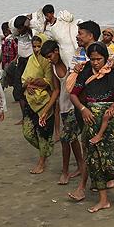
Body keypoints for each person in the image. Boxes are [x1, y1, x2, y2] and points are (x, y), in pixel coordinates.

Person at [69, 43, 114, 213]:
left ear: (106, 58)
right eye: (92, 59)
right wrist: (83, 109)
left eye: (99, 59)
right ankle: (103, 200)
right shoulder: (84, 73)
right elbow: (73, 94)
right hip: (91, 120)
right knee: (94, 161)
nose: (96, 62)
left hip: (113, 121)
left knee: (112, 160)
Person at [41, 39, 85, 185]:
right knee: (72, 139)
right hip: (64, 107)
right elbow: (56, 91)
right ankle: (81, 166)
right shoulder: (53, 68)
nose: (49, 60)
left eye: (50, 56)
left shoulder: (69, 62)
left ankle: (65, 172)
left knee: (66, 139)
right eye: (46, 58)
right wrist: (46, 110)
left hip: (75, 105)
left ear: (56, 51)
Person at [21, 34, 56, 174]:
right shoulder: (30, 59)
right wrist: (27, 85)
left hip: (44, 103)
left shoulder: (48, 61)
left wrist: (33, 82)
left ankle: (42, 161)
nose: (36, 49)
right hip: (30, 101)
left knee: (42, 134)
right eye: (34, 46)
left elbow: (48, 81)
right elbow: (23, 79)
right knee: (28, 133)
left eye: (38, 46)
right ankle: (47, 149)